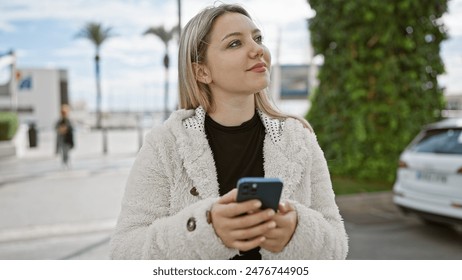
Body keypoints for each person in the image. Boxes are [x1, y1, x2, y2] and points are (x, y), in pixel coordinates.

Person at [110, 3, 348, 260]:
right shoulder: (165, 144)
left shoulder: (298, 138)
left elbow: (337, 247)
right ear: (201, 71)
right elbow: (124, 252)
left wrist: (297, 232)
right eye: (235, 43)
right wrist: (206, 230)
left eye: (257, 38)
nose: (258, 50)